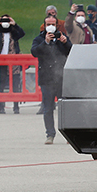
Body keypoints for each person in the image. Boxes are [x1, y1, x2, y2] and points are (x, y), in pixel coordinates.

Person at [31, 16, 71, 144]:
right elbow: (34, 52)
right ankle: (50, 134)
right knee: (48, 109)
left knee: (64, 108)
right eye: (48, 24)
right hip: (47, 79)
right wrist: (46, 42)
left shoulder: (61, 37)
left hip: (61, 78)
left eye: (53, 24)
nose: (51, 26)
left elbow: (70, 51)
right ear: (44, 25)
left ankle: (68, 135)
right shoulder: (39, 39)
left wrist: (65, 42)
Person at [0, 14, 25, 114]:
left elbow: (22, 34)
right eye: (3, 21)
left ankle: (16, 106)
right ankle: (1, 107)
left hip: (14, 61)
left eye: (7, 20)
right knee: (1, 85)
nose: (5, 23)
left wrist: (14, 24)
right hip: (1, 62)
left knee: (15, 84)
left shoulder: (14, 34)